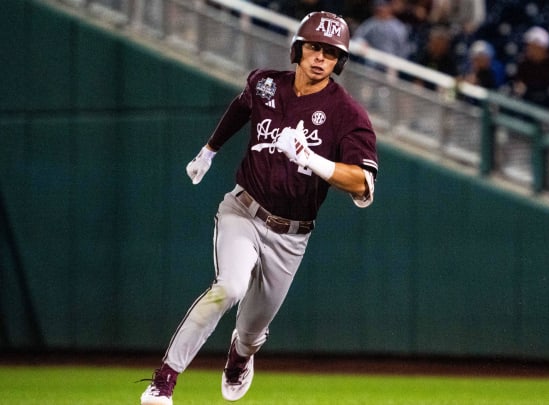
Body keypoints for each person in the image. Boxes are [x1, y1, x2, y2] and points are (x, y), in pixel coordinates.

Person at [139, 11, 379, 405]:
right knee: (228, 288)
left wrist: (312, 159)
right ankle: (163, 381)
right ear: (298, 49)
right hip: (243, 209)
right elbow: (240, 107)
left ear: (340, 62)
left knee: (251, 331)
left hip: (292, 235)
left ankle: (240, 355)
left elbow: (363, 182)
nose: (320, 58)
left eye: (331, 53)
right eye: (314, 47)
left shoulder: (347, 114)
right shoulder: (266, 83)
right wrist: (209, 149)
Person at [512, 26, 549, 109]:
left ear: (542, 48)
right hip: (527, 101)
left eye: (533, 46)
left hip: (547, 103)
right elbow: (518, 83)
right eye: (528, 45)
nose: (528, 49)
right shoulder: (523, 62)